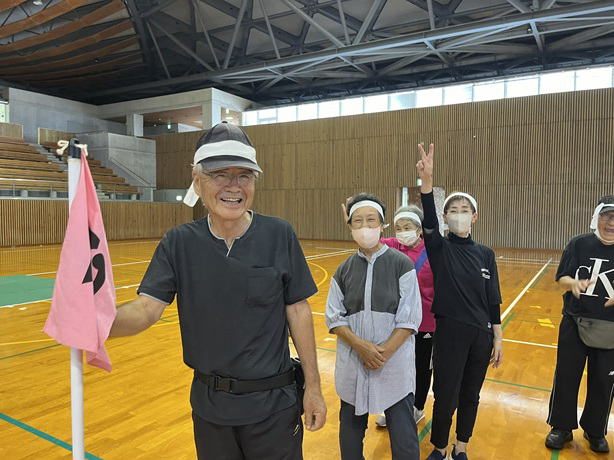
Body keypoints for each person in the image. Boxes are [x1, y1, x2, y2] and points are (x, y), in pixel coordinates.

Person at [109, 121, 327, 459]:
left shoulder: (279, 234)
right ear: (197, 180)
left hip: (274, 406)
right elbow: (146, 309)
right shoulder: (179, 242)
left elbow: (298, 312)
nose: (233, 186)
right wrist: (95, 323)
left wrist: (313, 387)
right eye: (219, 174)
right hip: (210, 409)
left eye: (244, 175)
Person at [416, 144, 503, 460]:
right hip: (450, 333)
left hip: (481, 335)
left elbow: (493, 299)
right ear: (445, 217)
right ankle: (439, 446)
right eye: (453, 210)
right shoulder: (440, 248)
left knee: (470, 394)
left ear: (475, 216)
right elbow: (428, 220)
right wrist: (427, 183)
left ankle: (461, 445)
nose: (459, 214)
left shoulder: (485, 254)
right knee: (445, 394)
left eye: (465, 209)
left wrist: (498, 337)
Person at [326, 193, 423, 460]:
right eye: (358, 221)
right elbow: (334, 317)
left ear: (382, 225)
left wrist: (382, 354)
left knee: (403, 437)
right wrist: (361, 347)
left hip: (393, 364)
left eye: (371, 220)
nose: (365, 226)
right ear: (350, 226)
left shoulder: (401, 264)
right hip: (354, 362)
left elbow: (409, 318)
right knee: (350, 435)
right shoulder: (343, 270)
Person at [545, 195, 614, 454]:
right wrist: (572, 283)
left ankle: (595, 430)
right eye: (607, 216)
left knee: (604, 381)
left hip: (611, 328)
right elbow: (561, 278)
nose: (611, 222)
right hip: (575, 321)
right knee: (566, 375)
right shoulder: (578, 244)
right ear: (597, 218)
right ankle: (561, 427)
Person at [375, 205, 436, 427]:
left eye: (407, 227)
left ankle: (417, 407)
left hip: (425, 322)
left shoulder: (433, 251)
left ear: (419, 229)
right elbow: (369, 240)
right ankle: (391, 406)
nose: (402, 232)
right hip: (396, 321)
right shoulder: (392, 246)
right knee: (394, 364)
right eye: (398, 228)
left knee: (421, 367)